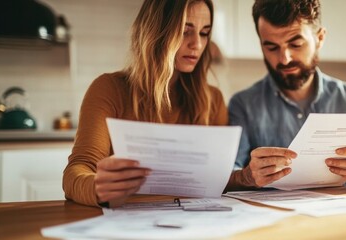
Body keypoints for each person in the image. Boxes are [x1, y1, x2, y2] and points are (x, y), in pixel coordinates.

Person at [226, 0, 346, 190]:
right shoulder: (243, 104)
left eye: (295, 44)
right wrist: (246, 177)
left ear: (320, 38)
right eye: (271, 47)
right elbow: (227, 175)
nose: (284, 58)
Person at [63, 0, 227, 208]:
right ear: (157, 32)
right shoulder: (109, 89)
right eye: (185, 31)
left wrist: (246, 176)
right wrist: (97, 187)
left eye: (204, 33)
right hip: (125, 220)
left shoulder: (213, 100)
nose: (197, 44)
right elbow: (77, 171)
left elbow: (219, 179)